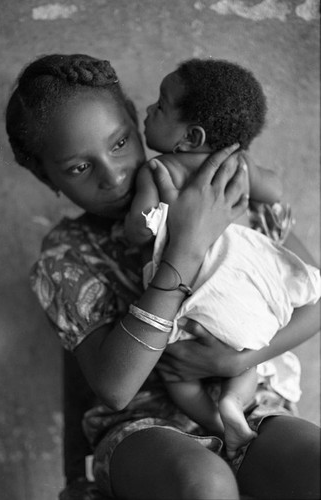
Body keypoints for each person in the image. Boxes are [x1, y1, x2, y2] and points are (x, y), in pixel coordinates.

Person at [5, 53, 320, 500]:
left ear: (138, 123)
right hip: (141, 430)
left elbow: (314, 298)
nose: (112, 175)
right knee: (204, 485)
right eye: (79, 167)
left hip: (247, 402)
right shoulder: (68, 253)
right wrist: (186, 247)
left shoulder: (224, 187)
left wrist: (238, 360)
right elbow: (116, 389)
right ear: (48, 178)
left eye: (119, 143)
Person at [124, 58, 321, 458]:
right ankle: (234, 405)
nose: (147, 110)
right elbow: (276, 188)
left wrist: (160, 219)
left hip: (196, 292)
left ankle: (218, 424)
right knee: (248, 355)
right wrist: (245, 171)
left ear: (191, 137)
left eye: (160, 106)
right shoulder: (240, 166)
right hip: (248, 298)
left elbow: (138, 231)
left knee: (176, 374)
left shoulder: (160, 170)